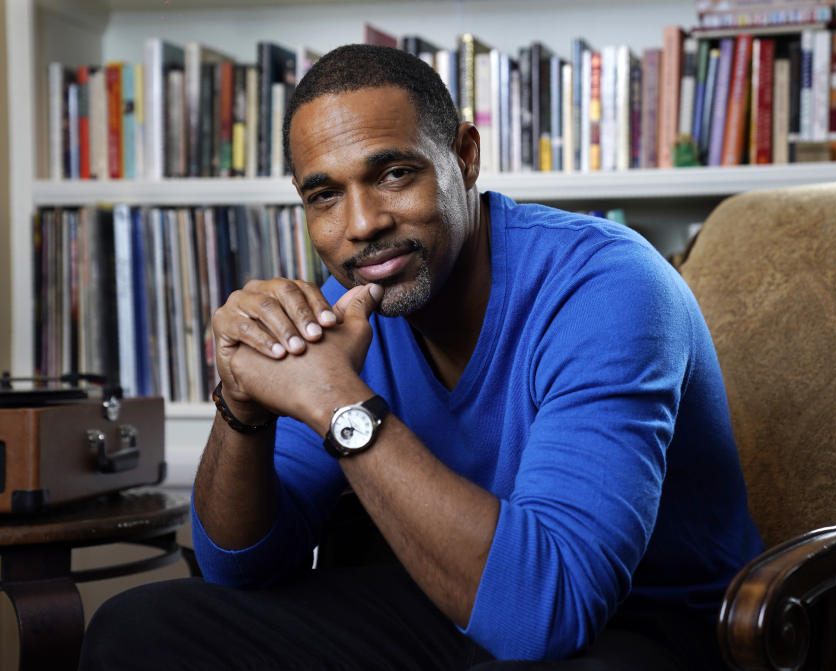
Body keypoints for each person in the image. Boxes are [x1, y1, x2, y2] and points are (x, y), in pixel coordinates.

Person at [79, 44, 763, 670]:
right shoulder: (346, 308)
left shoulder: (608, 287)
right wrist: (243, 405)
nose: (362, 224)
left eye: (394, 173)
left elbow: (548, 611)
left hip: (637, 630)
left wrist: (337, 402)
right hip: (442, 607)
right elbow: (239, 568)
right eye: (325, 195)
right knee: (138, 626)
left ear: (465, 155)